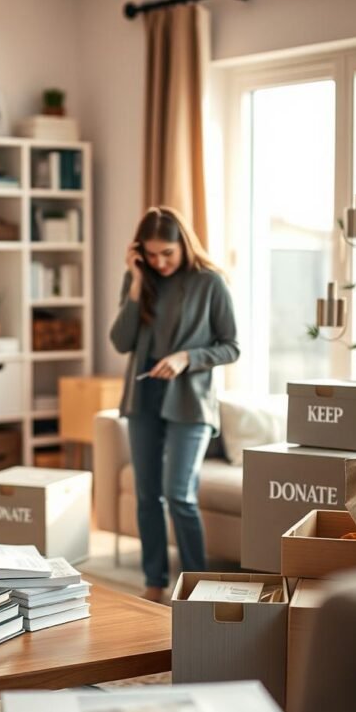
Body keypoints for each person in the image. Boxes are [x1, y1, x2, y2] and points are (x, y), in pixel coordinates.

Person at [110, 205, 240, 603]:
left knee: (179, 493)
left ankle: (197, 583)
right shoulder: (140, 279)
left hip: (190, 401)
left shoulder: (210, 282)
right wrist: (135, 284)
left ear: (183, 244)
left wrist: (187, 358)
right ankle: (154, 583)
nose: (159, 262)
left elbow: (230, 346)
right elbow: (120, 341)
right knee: (148, 494)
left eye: (167, 253)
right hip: (143, 396)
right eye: (150, 254)